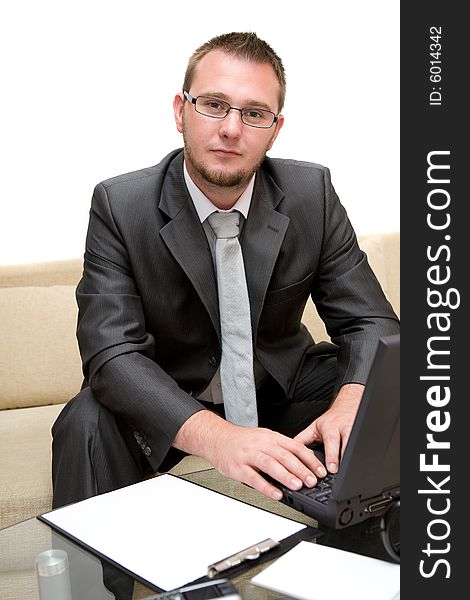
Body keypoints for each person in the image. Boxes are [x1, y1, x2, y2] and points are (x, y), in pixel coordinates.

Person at [52, 31, 399, 511]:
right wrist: (222, 439)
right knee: (85, 419)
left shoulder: (310, 193)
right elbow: (112, 355)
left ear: (275, 130)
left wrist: (351, 401)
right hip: (175, 394)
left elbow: (370, 322)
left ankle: (378, 556)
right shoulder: (120, 205)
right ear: (181, 111)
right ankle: (100, 585)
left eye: (254, 113)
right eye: (214, 105)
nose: (232, 129)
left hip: (278, 388)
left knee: (397, 384)